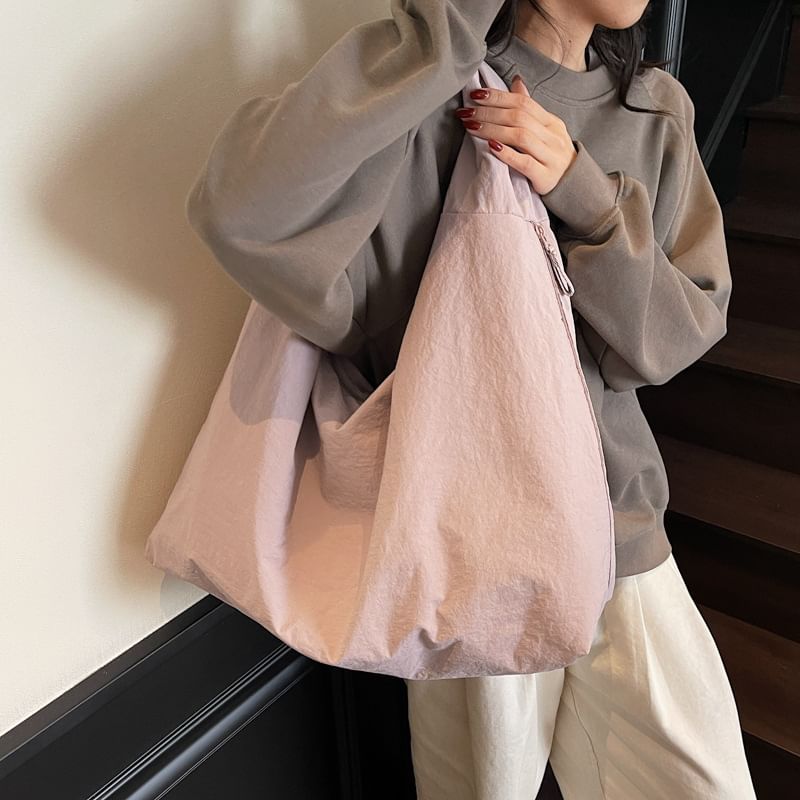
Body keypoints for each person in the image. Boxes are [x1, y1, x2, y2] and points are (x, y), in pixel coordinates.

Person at [183, 0, 757, 796]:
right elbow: (242, 214)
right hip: (473, 545)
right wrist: (438, 38)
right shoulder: (430, 89)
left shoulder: (656, 109)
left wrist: (585, 196)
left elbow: (671, 339)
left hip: (620, 527)